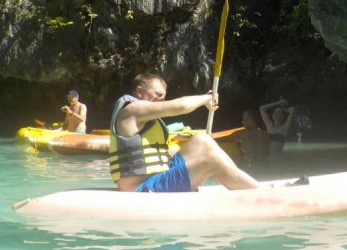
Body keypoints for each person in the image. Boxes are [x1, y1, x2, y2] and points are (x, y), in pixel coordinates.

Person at [110, 73, 307, 193]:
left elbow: (150, 155)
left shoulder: (145, 119)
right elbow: (181, 105)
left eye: (163, 97)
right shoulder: (131, 111)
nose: (161, 101)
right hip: (142, 188)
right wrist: (205, 98)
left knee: (203, 140)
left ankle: (245, 182)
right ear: (139, 92)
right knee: (210, 161)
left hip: (158, 175)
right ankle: (263, 192)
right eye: (157, 95)